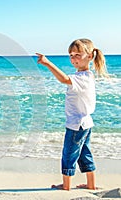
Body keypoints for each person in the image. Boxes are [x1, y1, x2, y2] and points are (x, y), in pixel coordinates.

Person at [36, 38, 109, 190]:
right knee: (84, 154)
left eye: (77, 54)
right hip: (86, 123)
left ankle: (66, 185)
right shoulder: (86, 76)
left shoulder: (80, 78)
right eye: (71, 55)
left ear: (89, 56)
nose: (73, 58)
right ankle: (91, 184)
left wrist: (47, 63)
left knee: (69, 154)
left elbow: (64, 79)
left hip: (77, 124)